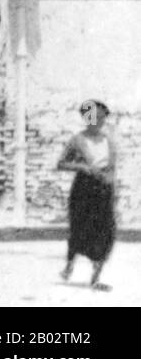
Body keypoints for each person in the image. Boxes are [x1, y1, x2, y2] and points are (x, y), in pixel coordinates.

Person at [57, 100, 117, 290]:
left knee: (106, 231)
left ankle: (95, 278)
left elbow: (111, 167)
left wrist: (111, 186)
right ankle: (69, 264)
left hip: (103, 190)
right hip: (83, 189)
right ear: (86, 118)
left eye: (101, 117)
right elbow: (61, 163)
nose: (98, 121)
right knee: (80, 229)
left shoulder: (108, 140)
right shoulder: (77, 140)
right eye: (93, 117)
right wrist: (82, 166)